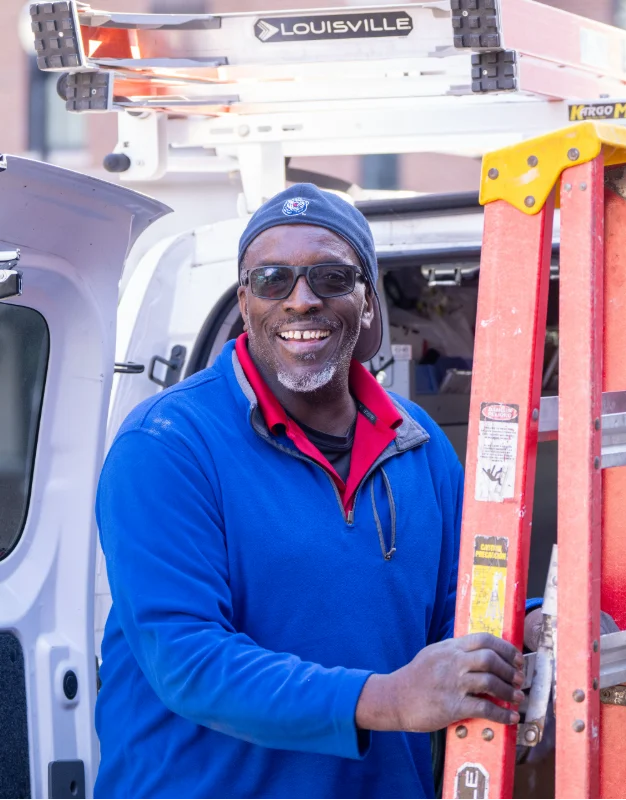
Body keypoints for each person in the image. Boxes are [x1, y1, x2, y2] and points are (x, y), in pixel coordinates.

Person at [94, 184, 536, 800]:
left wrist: (536, 626)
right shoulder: (166, 444)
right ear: (245, 301)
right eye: (273, 279)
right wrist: (387, 698)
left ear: (368, 303)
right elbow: (187, 660)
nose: (301, 301)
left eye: (331, 277)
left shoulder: (418, 443)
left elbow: (458, 612)